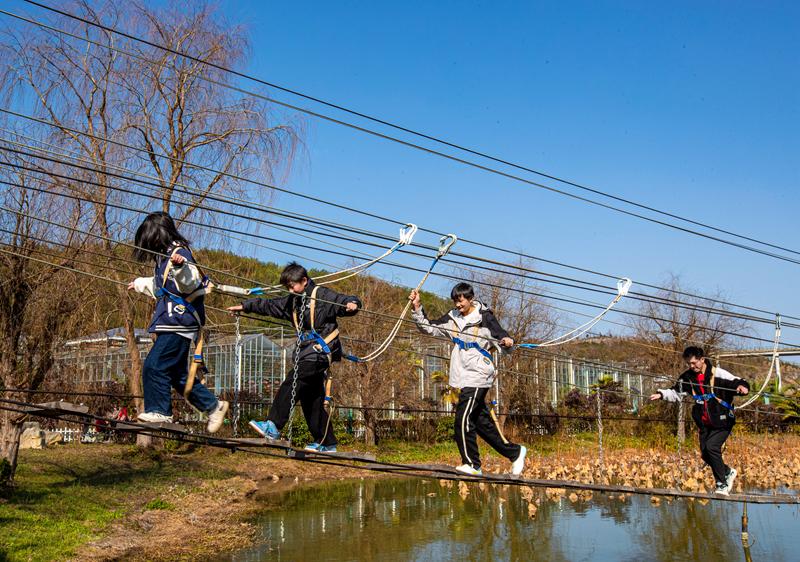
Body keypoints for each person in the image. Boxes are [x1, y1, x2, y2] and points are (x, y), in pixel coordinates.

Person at [227, 262, 361, 452]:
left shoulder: (321, 295)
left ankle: (273, 425)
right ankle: (327, 442)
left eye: (292, 286)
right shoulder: (293, 301)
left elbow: (343, 301)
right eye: (287, 287)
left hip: (320, 351)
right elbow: (268, 305)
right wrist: (244, 306)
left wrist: (353, 304)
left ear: (304, 281)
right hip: (306, 353)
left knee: (293, 381)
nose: (290, 290)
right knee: (311, 398)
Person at [409, 282, 527, 476]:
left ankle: (472, 464)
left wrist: (508, 342)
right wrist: (417, 307)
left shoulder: (484, 317)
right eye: (455, 301)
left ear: (470, 298)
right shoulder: (452, 318)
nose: (458, 305)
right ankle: (515, 453)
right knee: (481, 423)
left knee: (462, 418)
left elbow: (502, 336)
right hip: (462, 375)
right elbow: (428, 328)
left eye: (461, 300)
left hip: (479, 374)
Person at [128, 211, 228, 432]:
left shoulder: (180, 254)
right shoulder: (164, 258)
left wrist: (181, 267)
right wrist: (138, 283)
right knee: (177, 375)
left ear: (158, 235)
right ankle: (213, 407)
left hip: (178, 322)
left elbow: (190, 283)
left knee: (154, 366)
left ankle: (160, 411)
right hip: (172, 321)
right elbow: (161, 286)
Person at [650, 346, 750, 495]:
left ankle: (722, 484)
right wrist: (661, 395)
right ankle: (727, 472)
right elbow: (677, 392)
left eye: (694, 363)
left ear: (702, 360)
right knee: (705, 454)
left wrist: (743, 387)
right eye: (689, 364)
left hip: (722, 421)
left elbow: (737, 382)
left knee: (712, 447)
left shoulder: (719, 374)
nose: (692, 366)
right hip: (704, 423)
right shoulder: (687, 378)